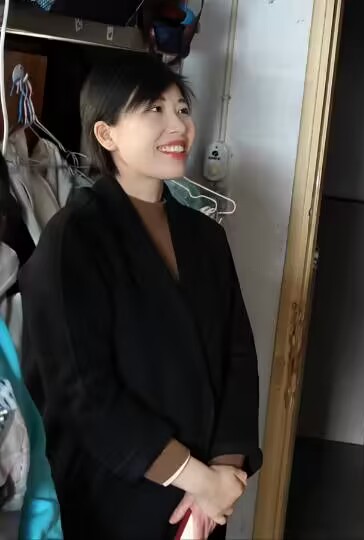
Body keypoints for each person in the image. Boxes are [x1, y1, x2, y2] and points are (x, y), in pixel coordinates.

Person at [20, 55, 261, 539]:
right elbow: (83, 395)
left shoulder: (205, 237)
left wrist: (223, 472)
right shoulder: (75, 239)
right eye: (154, 109)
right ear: (106, 134)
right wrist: (197, 479)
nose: (178, 125)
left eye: (181, 109)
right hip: (114, 499)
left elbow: (237, 358)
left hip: (203, 504)